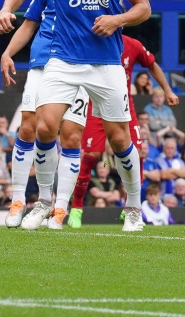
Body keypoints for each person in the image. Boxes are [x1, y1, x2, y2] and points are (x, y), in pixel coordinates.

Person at [0, 0, 151, 232]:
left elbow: (144, 8)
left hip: (106, 62)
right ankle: (45, 203)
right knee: (45, 126)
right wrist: (7, 9)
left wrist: (117, 20)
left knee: (119, 139)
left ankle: (134, 206)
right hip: (62, 59)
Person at [0, 0, 89, 228]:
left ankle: (60, 208)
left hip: (79, 67)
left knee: (70, 137)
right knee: (28, 128)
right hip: (42, 65)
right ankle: (20, 201)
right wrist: (8, 53)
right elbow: (28, 25)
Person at [68, 35, 176, 228]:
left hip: (124, 105)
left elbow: (151, 64)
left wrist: (167, 90)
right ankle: (76, 208)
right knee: (91, 156)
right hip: (95, 104)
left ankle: (132, 208)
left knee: (138, 154)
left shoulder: (132, 44)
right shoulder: (92, 39)